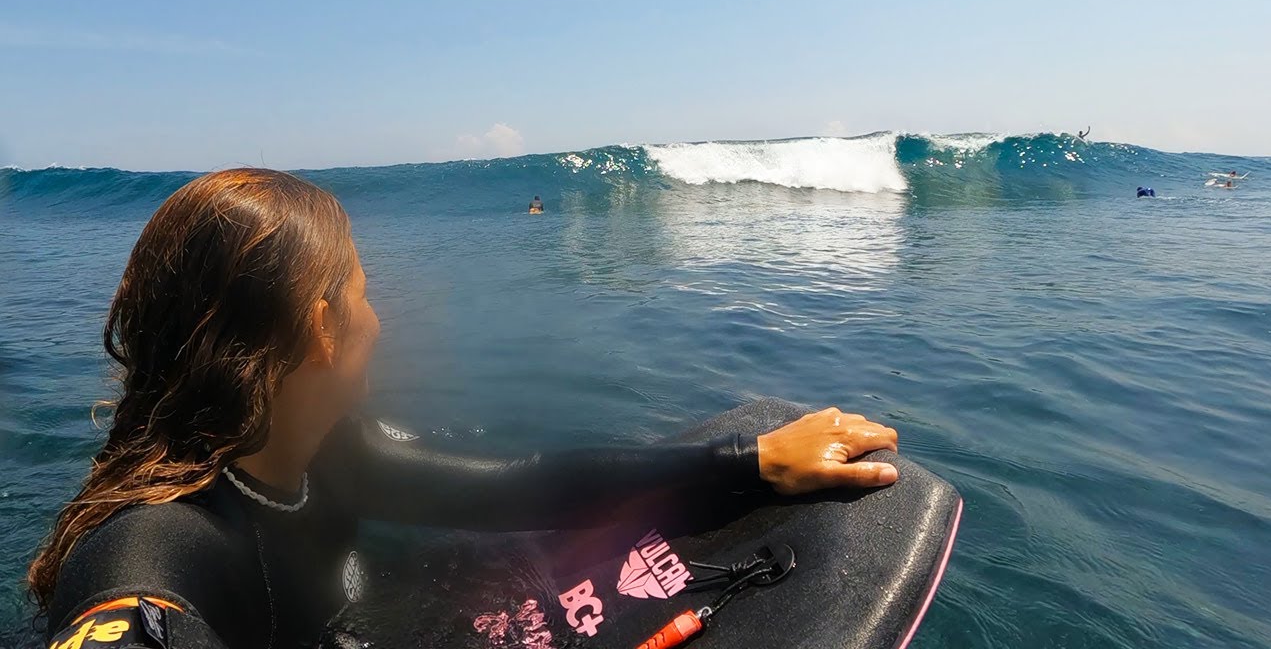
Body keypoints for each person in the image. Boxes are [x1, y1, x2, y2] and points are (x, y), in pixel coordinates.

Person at [29, 169, 902, 649]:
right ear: (324, 331)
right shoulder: (152, 550)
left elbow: (516, 488)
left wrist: (746, 463)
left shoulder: (317, 452)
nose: (385, 319)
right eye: (364, 294)